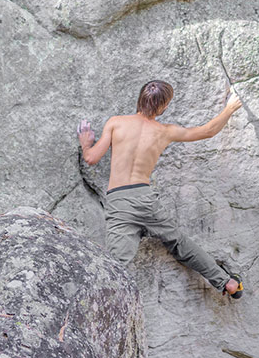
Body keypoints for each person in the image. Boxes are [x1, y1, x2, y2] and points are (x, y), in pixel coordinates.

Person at [77, 80, 244, 297]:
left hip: (119, 203)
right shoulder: (165, 132)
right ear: (163, 107)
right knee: (179, 242)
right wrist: (230, 107)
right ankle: (227, 283)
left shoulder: (116, 123)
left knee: (116, 267)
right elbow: (208, 131)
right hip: (146, 200)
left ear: (139, 99)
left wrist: (86, 141)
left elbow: (90, 158)